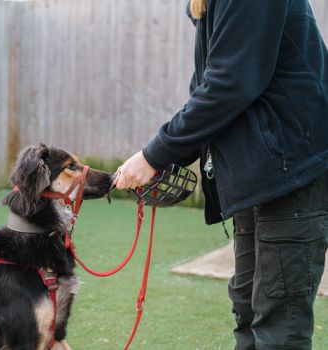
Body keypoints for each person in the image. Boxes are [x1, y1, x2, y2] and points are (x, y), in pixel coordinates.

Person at [114, 0, 328, 349]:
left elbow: (230, 84)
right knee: (246, 309)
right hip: (256, 175)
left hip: (292, 171)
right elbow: (207, 85)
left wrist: (154, 155)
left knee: (280, 330)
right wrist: (169, 158)